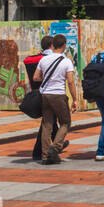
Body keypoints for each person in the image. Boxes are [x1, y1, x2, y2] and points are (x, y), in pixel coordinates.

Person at [33, 33, 77, 164]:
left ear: (53, 45)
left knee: (47, 125)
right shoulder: (66, 61)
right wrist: (74, 99)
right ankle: (55, 148)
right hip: (58, 95)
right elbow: (70, 81)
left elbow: (36, 77)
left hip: (45, 95)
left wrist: (48, 79)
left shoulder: (44, 59)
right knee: (65, 122)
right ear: (64, 45)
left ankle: (45, 156)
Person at [23, 34, 57, 162]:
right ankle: (43, 150)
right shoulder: (52, 58)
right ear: (52, 45)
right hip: (51, 94)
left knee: (49, 122)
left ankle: (54, 143)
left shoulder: (34, 59)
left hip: (37, 94)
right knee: (49, 122)